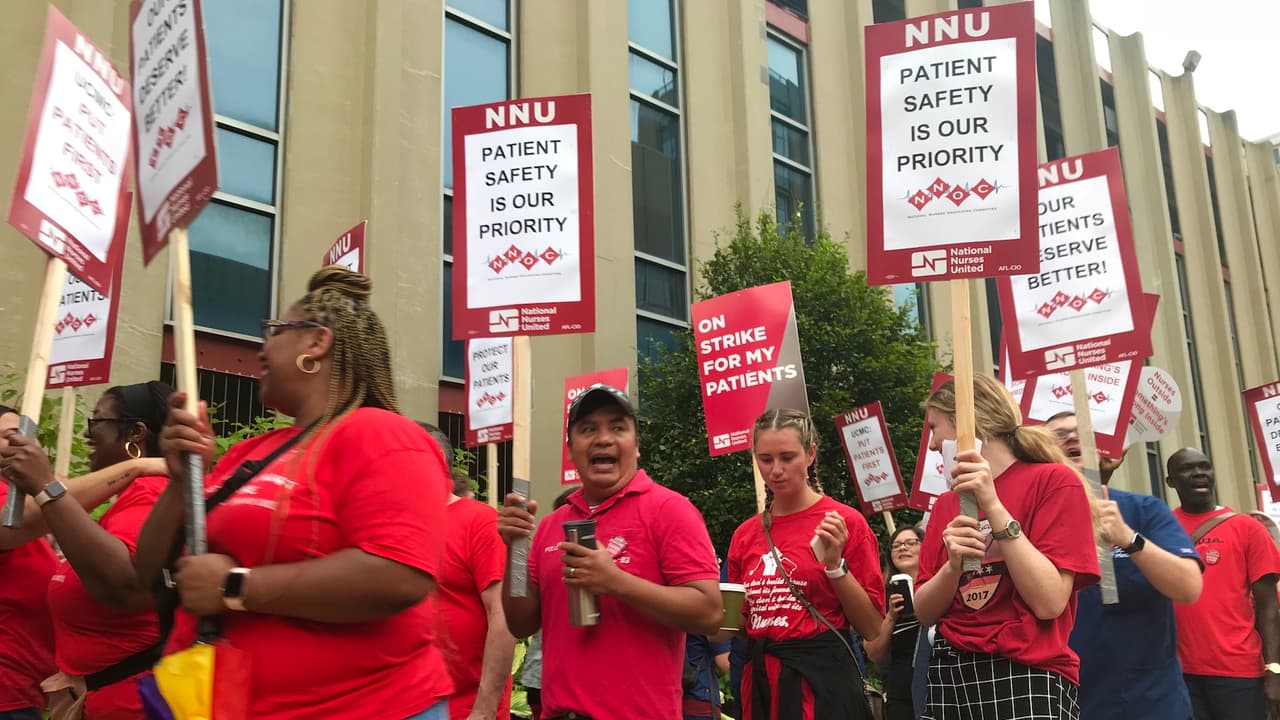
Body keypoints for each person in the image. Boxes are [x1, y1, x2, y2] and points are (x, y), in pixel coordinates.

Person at [135, 267, 454, 719]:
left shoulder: (383, 434)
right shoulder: (246, 453)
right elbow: (149, 570)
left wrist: (234, 586)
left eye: (274, 330)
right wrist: (182, 480)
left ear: (315, 342)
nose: (261, 348)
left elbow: (397, 575)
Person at [498, 384, 722, 720]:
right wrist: (514, 549)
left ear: (636, 445)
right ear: (571, 449)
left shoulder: (670, 510)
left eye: (617, 427)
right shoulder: (551, 524)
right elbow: (520, 623)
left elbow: (709, 612)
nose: (603, 438)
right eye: (588, 429)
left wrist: (615, 581)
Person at [913, 375, 1099, 720]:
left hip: (1026, 669)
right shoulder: (944, 506)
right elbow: (924, 612)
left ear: (968, 423)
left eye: (935, 428)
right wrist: (952, 565)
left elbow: (1049, 602)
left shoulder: (1054, 481)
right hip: (950, 670)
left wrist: (993, 506)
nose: (934, 444)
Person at [4, 382, 176, 719]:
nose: (87, 435)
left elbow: (123, 583)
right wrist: (135, 467)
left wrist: (45, 487)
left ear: (136, 433)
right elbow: (17, 522)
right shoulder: (136, 489)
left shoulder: (151, 492)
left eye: (96, 422)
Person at [726, 408, 884, 720]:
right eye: (765, 459)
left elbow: (872, 627)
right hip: (762, 682)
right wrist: (715, 616)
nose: (776, 470)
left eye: (787, 457)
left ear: (810, 454)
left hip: (822, 682)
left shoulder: (843, 522)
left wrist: (836, 566)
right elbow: (738, 626)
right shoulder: (745, 535)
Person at [1049, 411, 1202, 720]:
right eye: (1058, 435)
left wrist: (1127, 538)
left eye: (1082, 432)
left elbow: (1189, 587)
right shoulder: (1030, 521)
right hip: (1065, 705)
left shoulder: (1143, 510)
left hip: (1150, 704)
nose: (1072, 438)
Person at [1166, 448, 1280, 720]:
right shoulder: (1162, 525)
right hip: (1179, 672)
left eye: (1205, 466)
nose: (1198, 474)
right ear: (1170, 481)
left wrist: (1274, 670)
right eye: (1187, 469)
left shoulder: (1248, 528)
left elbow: (1269, 608)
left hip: (1237, 671)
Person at [418, 423, 516, 720]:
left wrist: (484, 711)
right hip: (409, 704)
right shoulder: (398, 527)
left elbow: (503, 616)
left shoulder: (480, 521)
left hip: (465, 709)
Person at [865, 526, 925, 720]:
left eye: (911, 543)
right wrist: (891, 616)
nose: (902, 548)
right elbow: (874, 653)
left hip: (939, 685)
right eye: (896, 545)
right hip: (901, 693)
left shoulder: (941, 585)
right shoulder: (880, 596)